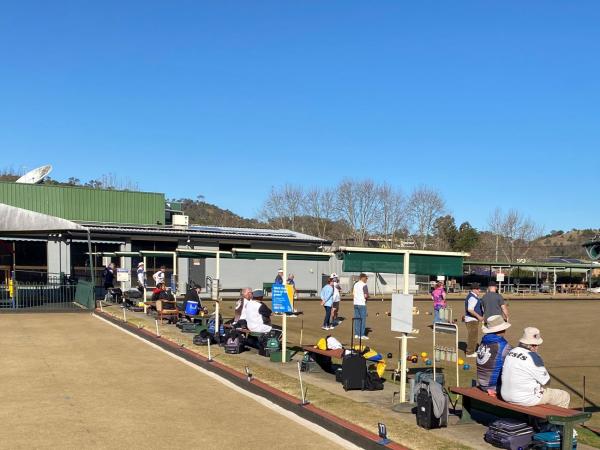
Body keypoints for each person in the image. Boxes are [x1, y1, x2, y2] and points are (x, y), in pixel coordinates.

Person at [501, 327, 570, 408]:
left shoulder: (512, 351)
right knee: (564, 396)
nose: (537, 347)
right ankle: (555, 420)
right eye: (537, 345)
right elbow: (546, 382)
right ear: (533, 345)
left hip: (505, 395)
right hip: (526, 399)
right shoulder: (534, 357)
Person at [477, 315, 512, 397]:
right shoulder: (503, 345)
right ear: (502, 330)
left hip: (481, 383)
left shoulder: (483, 341)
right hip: (493, 386)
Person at [464, 282, 484, 357]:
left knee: (473, 336)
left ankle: (471, 351)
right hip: (472, 320)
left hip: (472, 319)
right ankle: (469, 353)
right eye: (478, 289)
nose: (480, 290)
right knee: (472, 336)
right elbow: (470, 309)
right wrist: (479, 317)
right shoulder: (472, 297)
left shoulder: (473, 296)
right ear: (474, 289)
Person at [353, 273, 369, 340]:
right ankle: (362, 335)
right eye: (366, 278)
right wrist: (368, 297)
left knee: (357, 319)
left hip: (355, 303)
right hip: (362, 304)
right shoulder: (364, 285)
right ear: (362, 278)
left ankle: (356, 334)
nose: (367, 279)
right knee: (363, 319)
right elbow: (366, 295)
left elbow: (353, 293)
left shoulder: (355, 284)